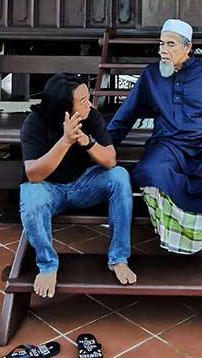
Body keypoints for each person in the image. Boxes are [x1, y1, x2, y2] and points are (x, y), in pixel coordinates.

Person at [107, 18, 202, 254]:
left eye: (170, 44)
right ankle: (175, 235)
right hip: (168, 142)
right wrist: (104, 147)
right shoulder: (151, 76)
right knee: (150, 171)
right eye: (161, 44)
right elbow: (126, 114)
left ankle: (198, 231)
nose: (163, 50)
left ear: (188, 47)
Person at [19, 73, 137, 298]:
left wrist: (87, 142)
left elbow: (110, 160)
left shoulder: (92, 117)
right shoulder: (35, 123)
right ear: (64, 106)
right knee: (31, 197)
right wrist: (65, 141)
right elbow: (33, 174)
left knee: (120, 176)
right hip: (48, 188)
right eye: (82, 100)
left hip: (84, 184)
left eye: (88, 97)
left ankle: (118, 258)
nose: (89, 104)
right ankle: (47, 265)